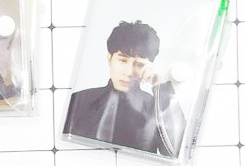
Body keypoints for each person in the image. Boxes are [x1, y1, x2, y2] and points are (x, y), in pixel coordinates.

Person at [63, 20, 186, 157]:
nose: (129, 72)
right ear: (109, 59)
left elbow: (176, 151)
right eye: (122, 60)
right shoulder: (79, 100)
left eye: (139, 64)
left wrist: (162, 89)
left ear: (149, 67)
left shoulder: (156, 107)